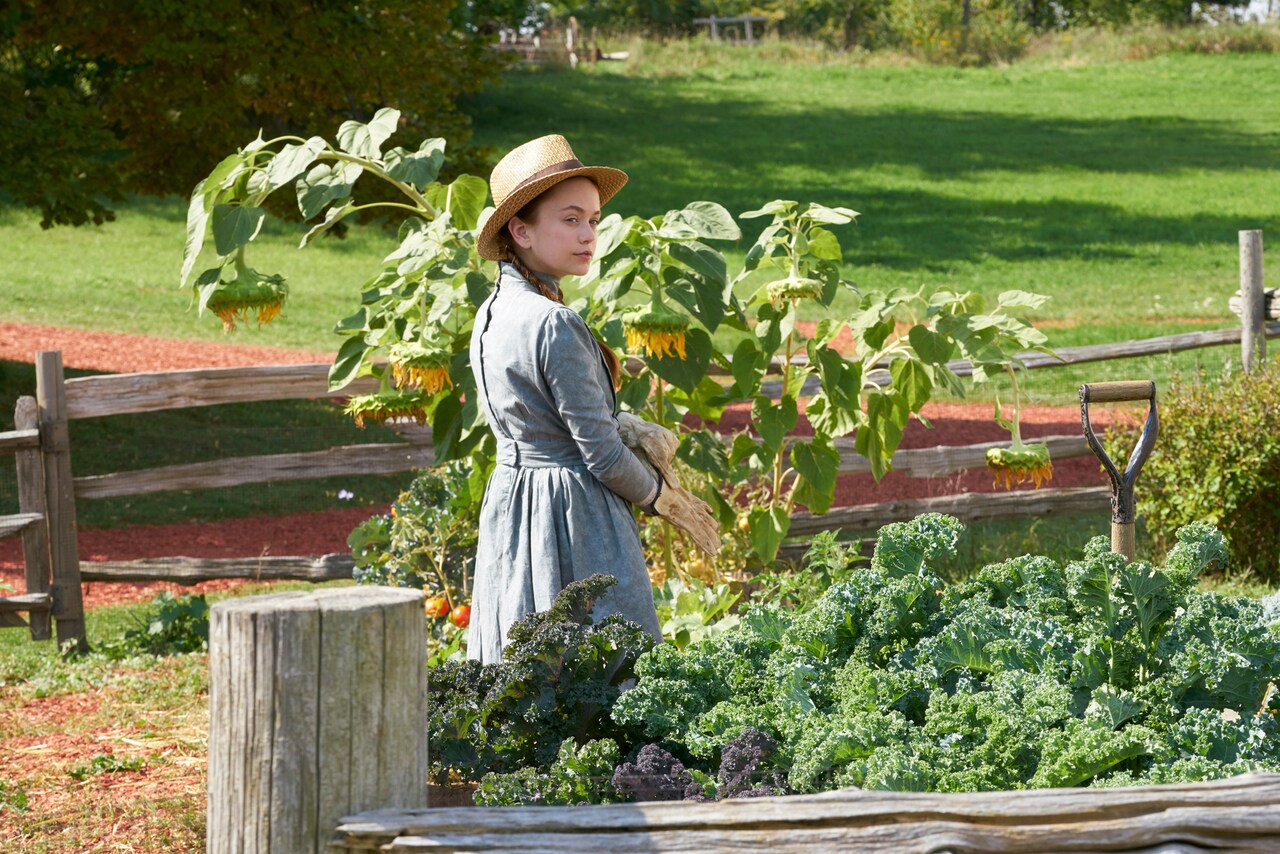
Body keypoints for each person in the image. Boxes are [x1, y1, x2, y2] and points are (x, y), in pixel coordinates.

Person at [467, 134, 664, 663]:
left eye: (594, 221)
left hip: (514, 503)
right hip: (574, 516)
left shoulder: (491, 314)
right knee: (600, 674)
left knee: (526, 672)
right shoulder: (553, 323)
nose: (588, 235)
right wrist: (658, 496)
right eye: (571, 219)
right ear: (521, 229)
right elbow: (598, 452)